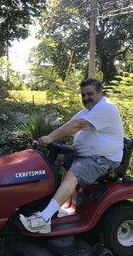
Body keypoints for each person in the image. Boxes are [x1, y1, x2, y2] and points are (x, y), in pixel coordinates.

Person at [19, 78, 124, 234]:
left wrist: (51, 138)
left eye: (90, 94)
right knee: (52, 162)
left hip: (103, 159)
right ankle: (53, 206)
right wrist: (46, 139)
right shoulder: (89, 110)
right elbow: (69, 124)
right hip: (86, 155)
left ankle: (44, 219)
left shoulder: (106, 108)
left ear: (100, 93)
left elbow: (77, 125)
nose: (86, 98)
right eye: (83, 95)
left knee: (72, 175)